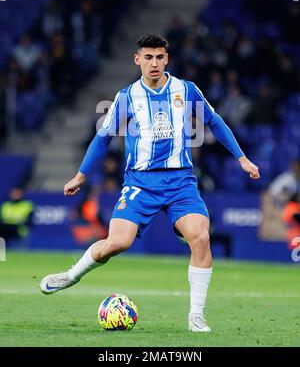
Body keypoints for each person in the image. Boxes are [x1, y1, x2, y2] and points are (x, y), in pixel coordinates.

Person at [40, 33, 260, 332]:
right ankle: (71, 275)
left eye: (159, 57)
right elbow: (103, 138)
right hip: (140, 183)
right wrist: (81, 175)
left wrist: (242, 158)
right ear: (137, 59)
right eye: (148, 57)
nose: (154, 63)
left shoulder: (186, 90)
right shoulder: (126, 97)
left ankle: (196, 315)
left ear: (166, 59)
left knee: (201, 237)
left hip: (181, 181)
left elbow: (215, 122)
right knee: (118, 243)